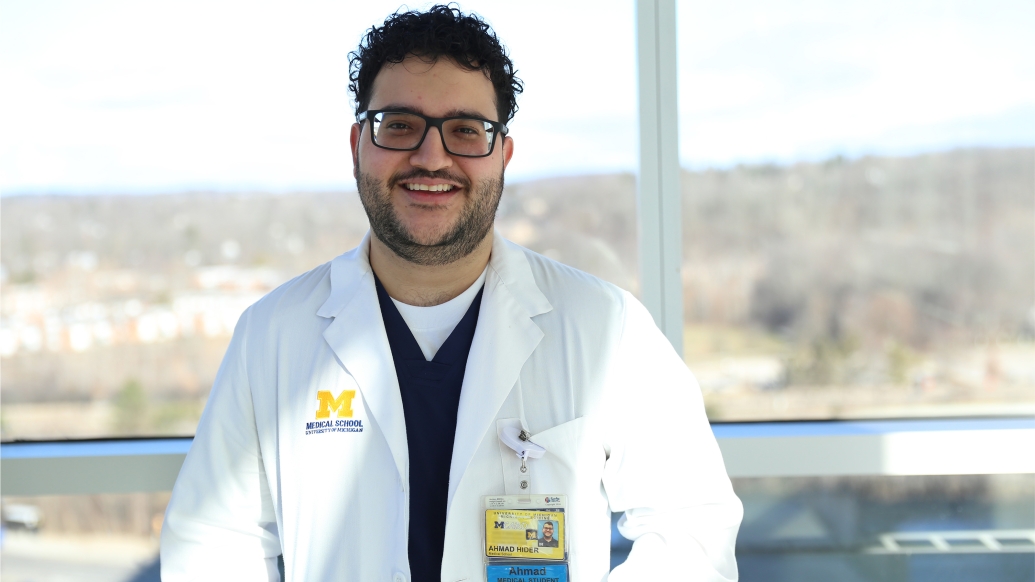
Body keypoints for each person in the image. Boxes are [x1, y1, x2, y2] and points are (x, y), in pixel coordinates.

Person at [160, 6, 742, 582]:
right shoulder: (273, 334)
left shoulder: (606, 328)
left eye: (466, 129)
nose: (431, 157)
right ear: (359, 143)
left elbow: (693, 530)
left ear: (503, 156)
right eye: (400, 125)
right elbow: (213, 545)